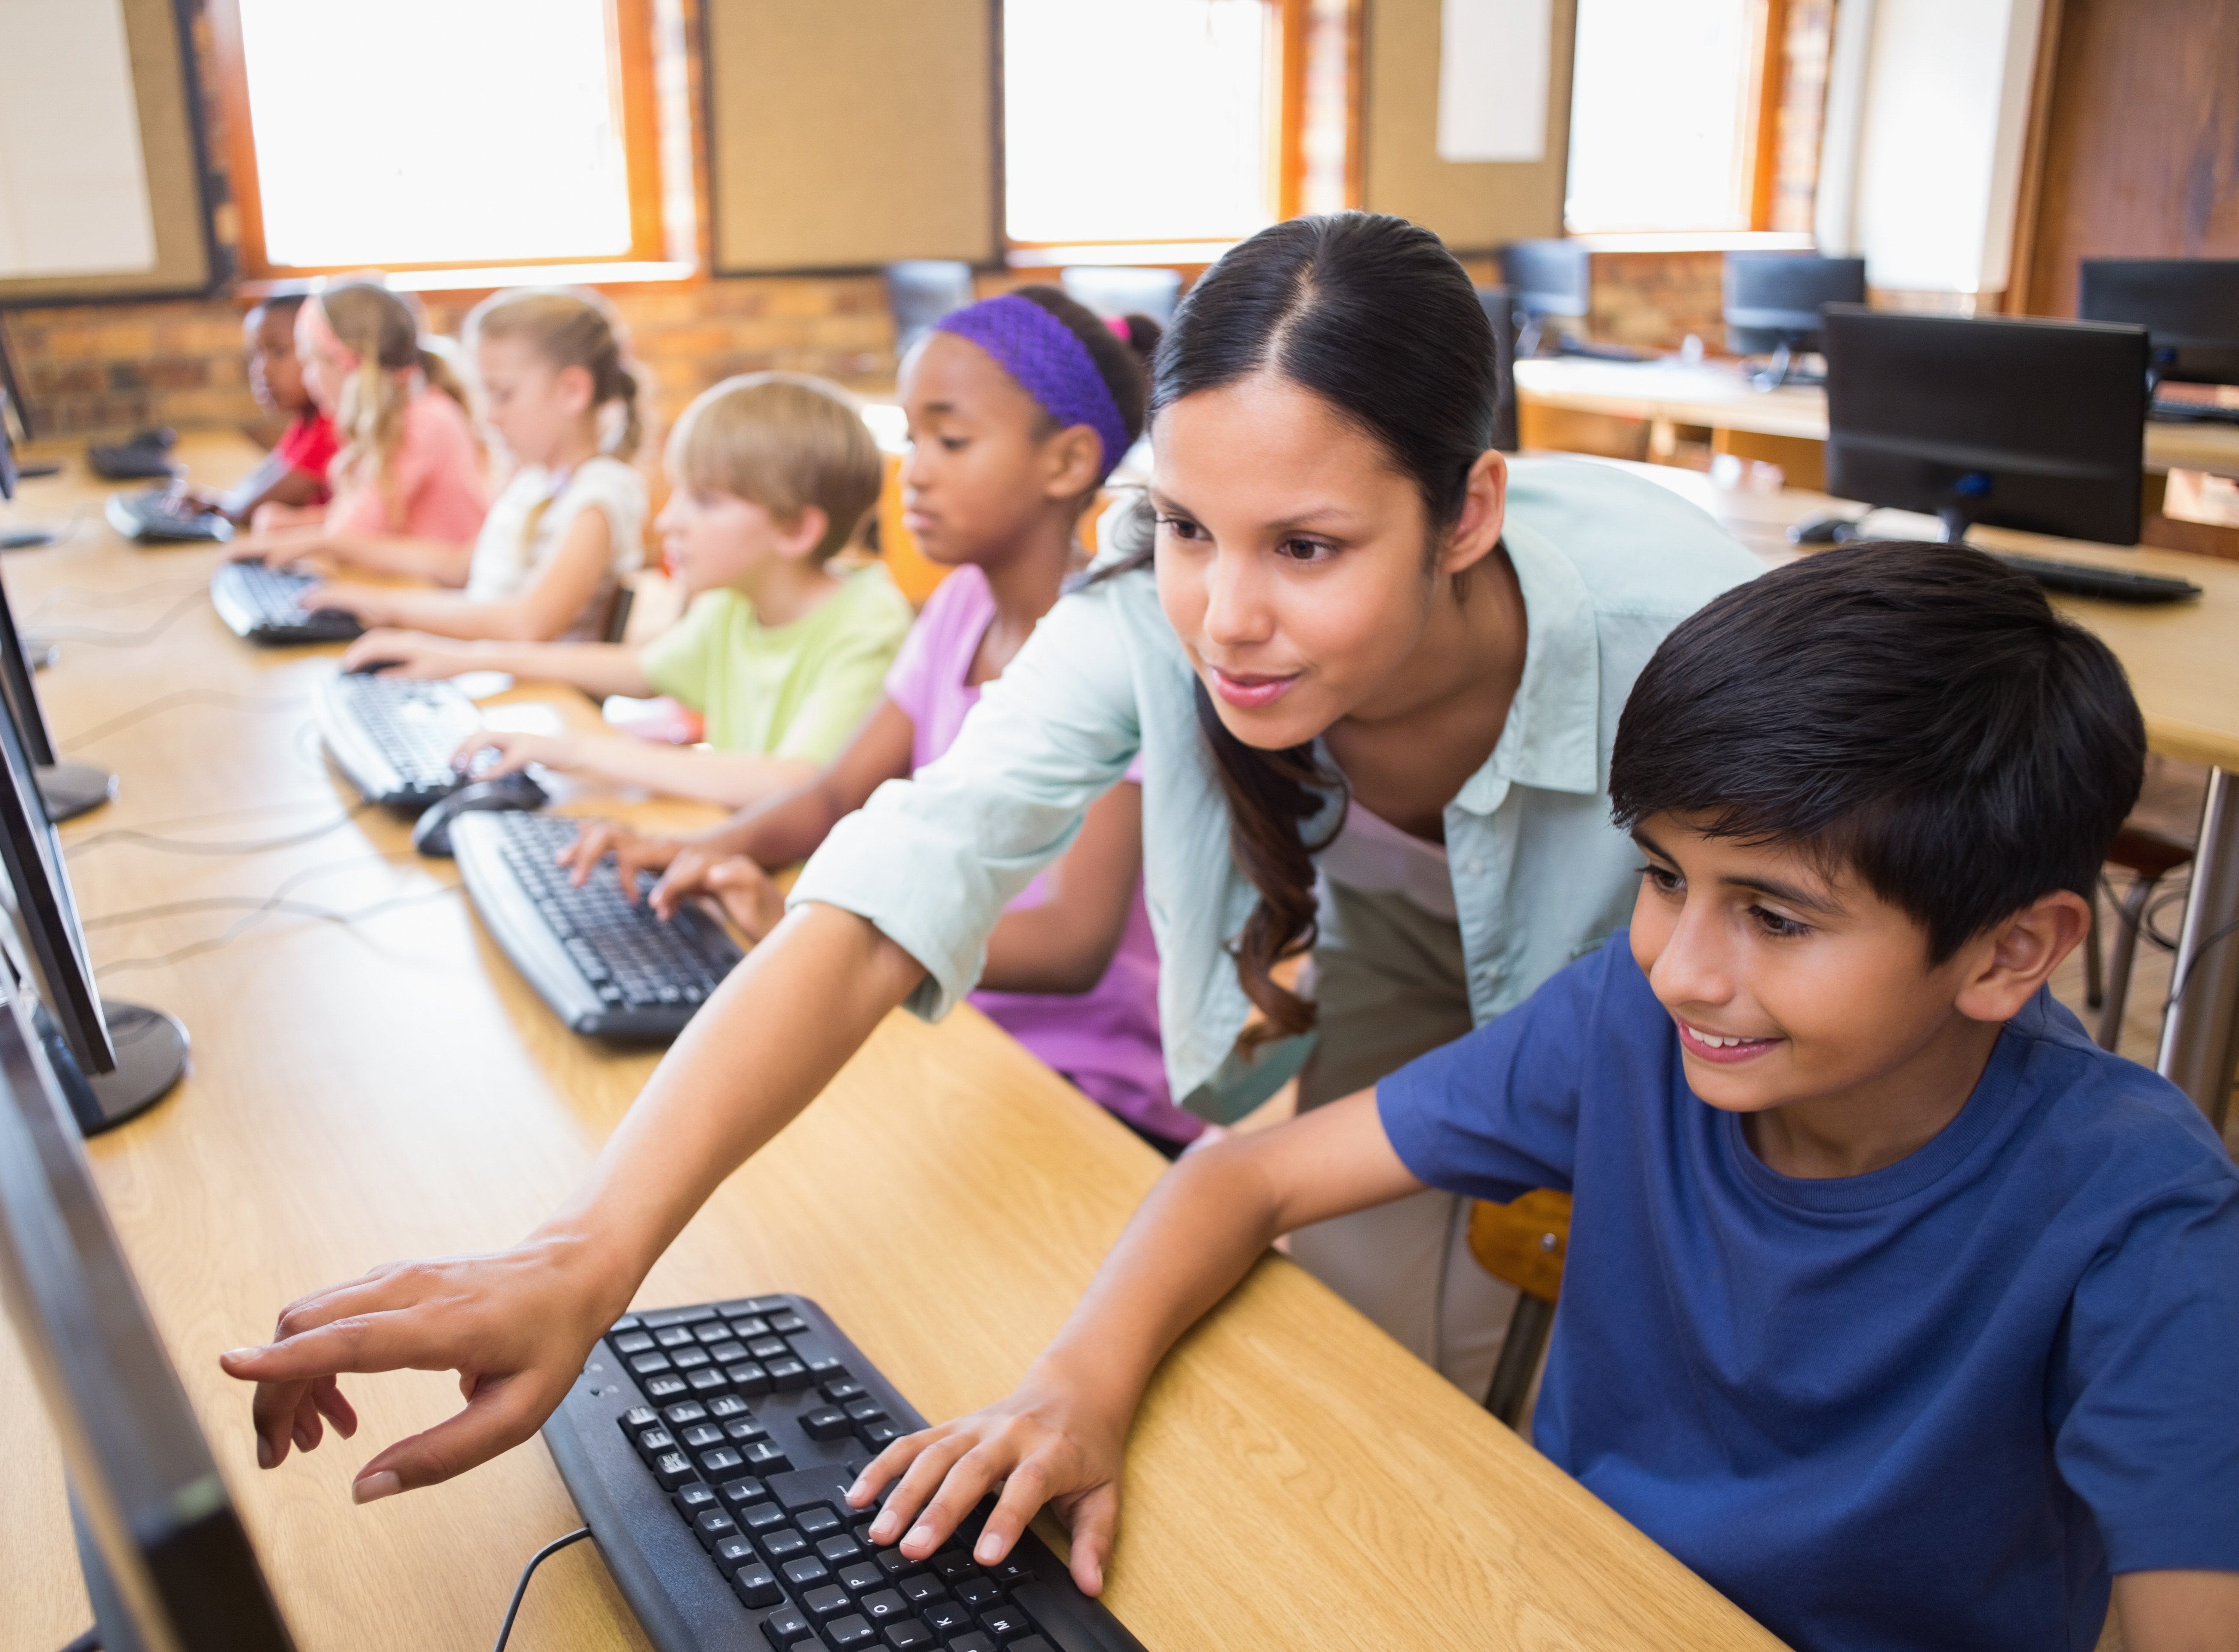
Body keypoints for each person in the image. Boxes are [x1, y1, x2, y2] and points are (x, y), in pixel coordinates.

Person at [219, 213, 1762, 1499]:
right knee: (1366, 1383)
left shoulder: (1683, 639)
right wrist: (581, 1251)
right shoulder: (1148, 618)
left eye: (1305, 547)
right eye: (1186, 529)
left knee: (1638, 1356)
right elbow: (908, 870)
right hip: (1393, 925)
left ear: (1463, 513)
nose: (1222, 615)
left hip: (1685, 984)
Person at [842, 542, 2239, 1652]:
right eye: (1665, 876)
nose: (1683, 969)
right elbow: (1246, 1177)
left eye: (1778, 918)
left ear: (2011, 952)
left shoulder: (2140, 1213)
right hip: (1551, 1601)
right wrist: (1072, 1392)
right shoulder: (1622, 1027)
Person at [554, 289, 1191, 1150]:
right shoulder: (961, 606)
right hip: (934, 1015)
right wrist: (707, 851)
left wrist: (810, 926)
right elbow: (834, 794)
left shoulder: (1117, 645)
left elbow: (1073, 944)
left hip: (1079, 1081)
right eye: (912, 438)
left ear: (1069, 462)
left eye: (952, 441)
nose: (915, 472)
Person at [340, 372, 910, 810]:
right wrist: (463, 659)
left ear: (796, 530)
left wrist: (578, 752)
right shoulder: (738, 600)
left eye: (705, 502)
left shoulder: (867, 625)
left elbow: (795, 783)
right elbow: (640, 670)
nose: (668, 522)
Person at [300, 287, 649, 644]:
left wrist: (388, 608)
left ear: (572, 391)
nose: (489, 416)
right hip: (490, 673)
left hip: (537, 695)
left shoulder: (599, 497)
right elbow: (457, 565)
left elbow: (526, 625)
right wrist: (324, 545)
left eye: (503, 395)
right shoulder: (532, 481)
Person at [227, 280, 491, 576]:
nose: (309, 380)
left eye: (311, 363)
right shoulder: (400, 416)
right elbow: (371, 515)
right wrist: (292, 525)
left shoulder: (422, 423)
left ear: (345, 365)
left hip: (451, 597)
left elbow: (352, 539)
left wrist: (291, 539)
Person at [183, 291, 336, 524]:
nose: (262, 371)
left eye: (279, 352)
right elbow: (265, 476)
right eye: (255, 355)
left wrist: (230, 507)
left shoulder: (333, 424)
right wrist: (223, 502)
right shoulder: (308, 418)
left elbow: (249, 509)